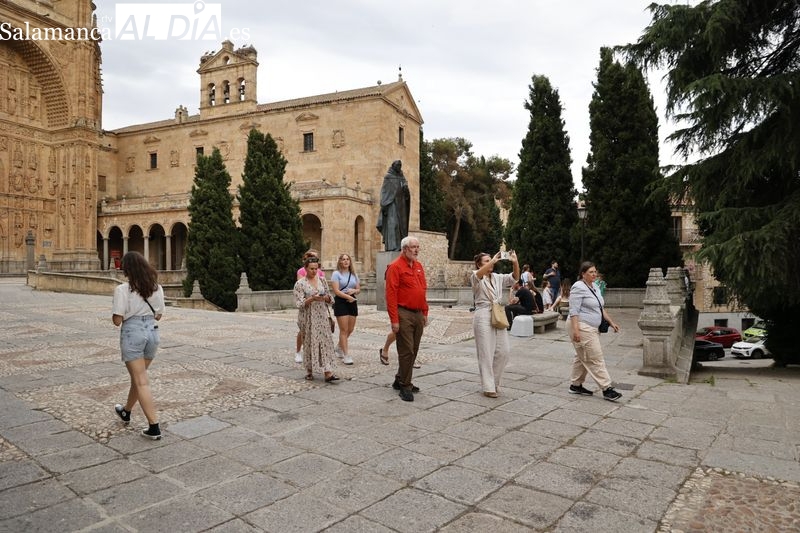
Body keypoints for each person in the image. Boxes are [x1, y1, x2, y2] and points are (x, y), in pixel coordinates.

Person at [112, 251, 166, 440]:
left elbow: (117, 320)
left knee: (141, 380)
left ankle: (154, 427)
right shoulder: (157, 288)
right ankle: (126, 411)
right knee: (139, 377)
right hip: (152, 333)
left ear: (127, 270)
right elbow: (159, 314)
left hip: (132, 333)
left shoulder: (122, 290)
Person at [568, 261, 622, 402]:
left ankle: (575, 385)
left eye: (595, 271)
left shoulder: (595, 287)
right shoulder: (578, 287)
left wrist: (611, 322)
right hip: (582, 326)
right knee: (595, 357)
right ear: (583, 274)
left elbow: (600, 308)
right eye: (591, 272)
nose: (594, 274)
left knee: (582, 357)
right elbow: (574, 311)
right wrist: (576, 330)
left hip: (592, 327)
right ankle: (607, 388)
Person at [471, 250, 520, 398]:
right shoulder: (475, 276)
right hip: (483, 314)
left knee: (504, 351)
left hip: (498, 313)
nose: (490, 263)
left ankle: (495, 382)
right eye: (486, 261)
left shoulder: (497, 277)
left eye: (490, 261)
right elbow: (479, 274)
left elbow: (515, 278)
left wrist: (515, 262)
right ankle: (488, 386)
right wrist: (493, 260)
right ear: (479, 264)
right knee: (486, 352)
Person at [385, 236, 428, 401]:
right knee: (406, 350)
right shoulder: (395, 267)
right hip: (403, 312)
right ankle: (405, 385)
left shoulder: (418, 266)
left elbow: (423, 289)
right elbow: (391, 294)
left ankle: (399, 379)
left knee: (414, 349)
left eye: (418, 247)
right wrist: (394, 320)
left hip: (417, 312)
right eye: (413, 247)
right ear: (404, 249)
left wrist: (425, 312)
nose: (416, 250)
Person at [294, 256, 339, 383]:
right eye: (311, 269)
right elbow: (299, 303)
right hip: (308, 317)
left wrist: (326, 298)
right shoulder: (300, 284)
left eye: (316, 268)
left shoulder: (322, 280)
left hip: (322, 315)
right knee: (309, 342)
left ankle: (328, 372)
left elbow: (331, 298)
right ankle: (309, 370)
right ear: (306, 268)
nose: (314, 271)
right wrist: (312, 298)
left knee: (325, 342)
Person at [295, 249, 324, 363]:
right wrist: (312, 297)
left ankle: (318, 357)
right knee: (303, 332)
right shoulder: (301, 271)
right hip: (307, 308)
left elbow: (324, 287)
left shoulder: (320, 272)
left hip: (318, 309)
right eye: (312, 257)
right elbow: (301, 288)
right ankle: (299, 351)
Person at [331, 253, 360, 365]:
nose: (345, 261)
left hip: (352, 301)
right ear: (340, 261)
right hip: (341, 301)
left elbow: (358, 289)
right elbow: (336, 291)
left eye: (347, 259)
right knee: (343, 329)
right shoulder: (336, 274)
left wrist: (354, 292)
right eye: (343, 259)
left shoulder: (353, 274)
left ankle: (339, 347)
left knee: (350, 329)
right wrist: (348, 297)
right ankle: (346, 355)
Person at [376, 160, 410, 251]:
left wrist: (406, 190)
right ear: (393, 166)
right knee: (392, 224)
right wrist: (384, 204)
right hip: (391, 204)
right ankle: (392, 246)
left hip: (401, 205)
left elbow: (407, 194)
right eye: (398, 165)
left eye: (400, 165)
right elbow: (384, 191)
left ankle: (400, 247)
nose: (399, 167)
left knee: (400, 227)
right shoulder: (388, 177)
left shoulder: (402, 177)